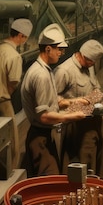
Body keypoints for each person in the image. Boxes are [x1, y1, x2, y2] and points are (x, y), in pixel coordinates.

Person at [20, 23, 87, 177]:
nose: (61, 53)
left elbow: (52, 100)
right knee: (48, 182)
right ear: (48, 49)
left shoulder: (44, 69)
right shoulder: (41, 75)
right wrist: (71, 116)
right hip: (40, 138)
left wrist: (74, 101)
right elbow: (43, 116)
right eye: (59, 49)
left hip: (44, 135)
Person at [55, 39, 103, 179]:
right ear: (82, 56)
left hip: (92, 118)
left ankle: (94, 184)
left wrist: (101, 96)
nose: (93, 65)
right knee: (83, 159)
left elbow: (95, 87)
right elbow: (54, 101)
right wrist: (77, 103)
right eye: (91, 62)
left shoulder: (89, 66)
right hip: (74, 124)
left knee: (97, 157)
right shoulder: (64, 71)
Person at [0, 18, 32, 168]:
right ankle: (9, 172)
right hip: (3, 103)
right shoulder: (14, 56)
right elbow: (13, 82)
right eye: (25, 38)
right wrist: (7, 94)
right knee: (12, 142)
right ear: (21, 36)